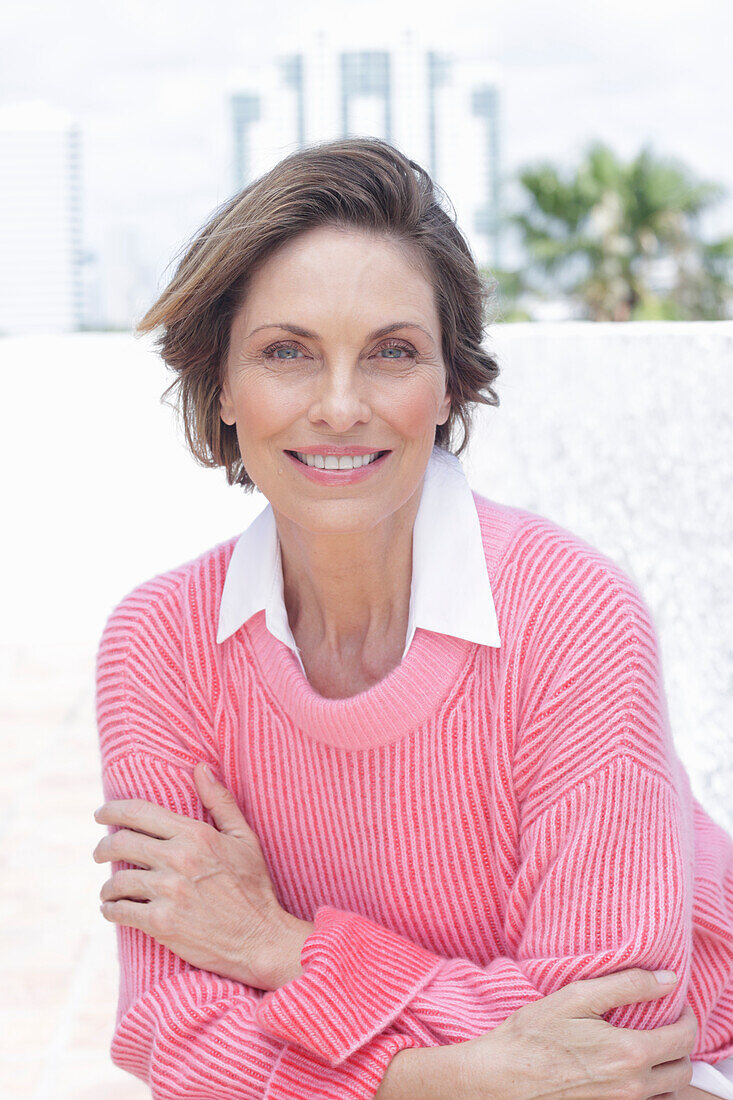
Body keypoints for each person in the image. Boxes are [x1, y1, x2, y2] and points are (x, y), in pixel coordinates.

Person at [92, 136, 733, 1099]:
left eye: (392, 353)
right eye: (286, 354)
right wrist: (441, 1080)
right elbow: (171, 1034)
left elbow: (616, 1043)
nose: (341, 406)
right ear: (221, 385)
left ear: (448, 384)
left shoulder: (572, 614)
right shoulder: (158, 645)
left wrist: (281, 948)